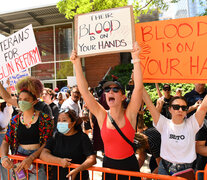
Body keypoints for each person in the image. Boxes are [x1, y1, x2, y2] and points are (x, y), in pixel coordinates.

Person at [70, 41, 142, 180]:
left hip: (129, 166)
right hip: (109, 165)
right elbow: (84, 91)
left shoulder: (130, 114)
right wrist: (76, 63)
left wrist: (136, 58)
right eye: (107, 90)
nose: (111, 92)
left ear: (122, 97)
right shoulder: (102, 115)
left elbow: (138, 88)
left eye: (116, 89)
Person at [142, 87, 207, 175]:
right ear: (170, 109)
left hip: (186, 170)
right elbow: (149, 103)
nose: (180, 110)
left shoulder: (192, 124)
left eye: (184, 108)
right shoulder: (163, 123)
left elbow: (203, 108)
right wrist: (138, 78)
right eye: (176, 107)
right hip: (165, 168)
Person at [0, 77, 53, 179]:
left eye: (26, 100)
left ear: (34, 101)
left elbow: (48, 142)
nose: (22, 102)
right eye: (20, 99)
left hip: (39, 161)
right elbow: (6, 141)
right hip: (19, 162)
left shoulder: (44, 118)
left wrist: (32, 157)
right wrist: (4, 157)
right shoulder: (15, 120)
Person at [40, 108, 96, 180]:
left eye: (64, 120)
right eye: (59, 120)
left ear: (73, 123)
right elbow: (43, 154)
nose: (60, 123)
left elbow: (92, 159)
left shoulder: (82, 137)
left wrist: (77, 170)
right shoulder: (56, 136)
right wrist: (59, 161)